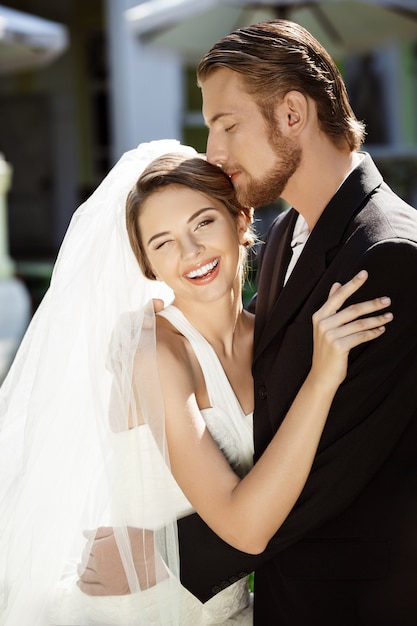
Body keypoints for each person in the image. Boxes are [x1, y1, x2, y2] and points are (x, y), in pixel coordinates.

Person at [80, 18, 417, 626]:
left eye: (226, 125)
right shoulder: (288, 231)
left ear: (292, 114)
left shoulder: (389, 256)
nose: (213, 152)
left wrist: (164, 553)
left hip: (353, 601)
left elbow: (332, 471)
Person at [0, 140, 390, 626]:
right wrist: (322, 380)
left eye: (203, 222)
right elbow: (243, 527)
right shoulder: (155, 354)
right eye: (162, 243)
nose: (190, 252)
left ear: (241, 220)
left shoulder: (275, 338)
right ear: (149, 267)